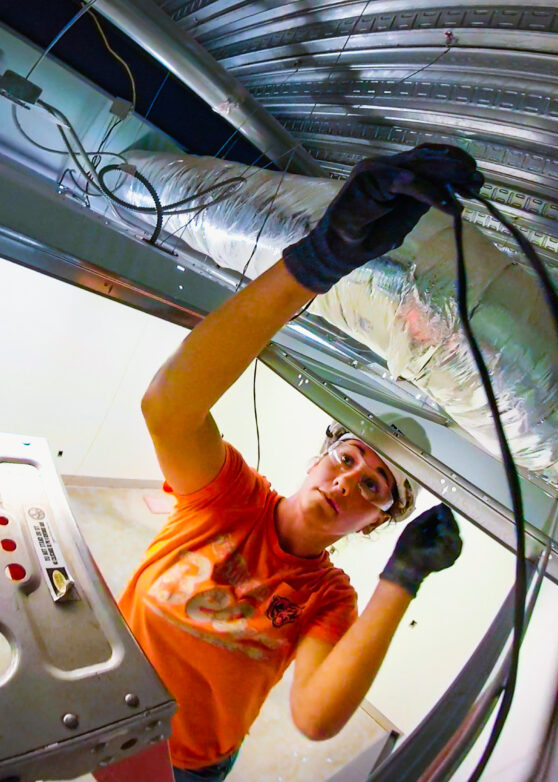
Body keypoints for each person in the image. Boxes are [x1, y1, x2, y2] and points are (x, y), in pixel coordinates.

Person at [118, 144, 485, 781]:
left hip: (186, 768)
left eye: (373, 484)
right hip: (102, 710)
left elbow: (315, 717)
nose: (348, 480)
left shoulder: (327, 600)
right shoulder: (228, 498)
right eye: (346, 458)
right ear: (320, 459)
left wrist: (401, 581)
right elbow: (168, 406)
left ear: (374, 522)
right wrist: (313, 263)